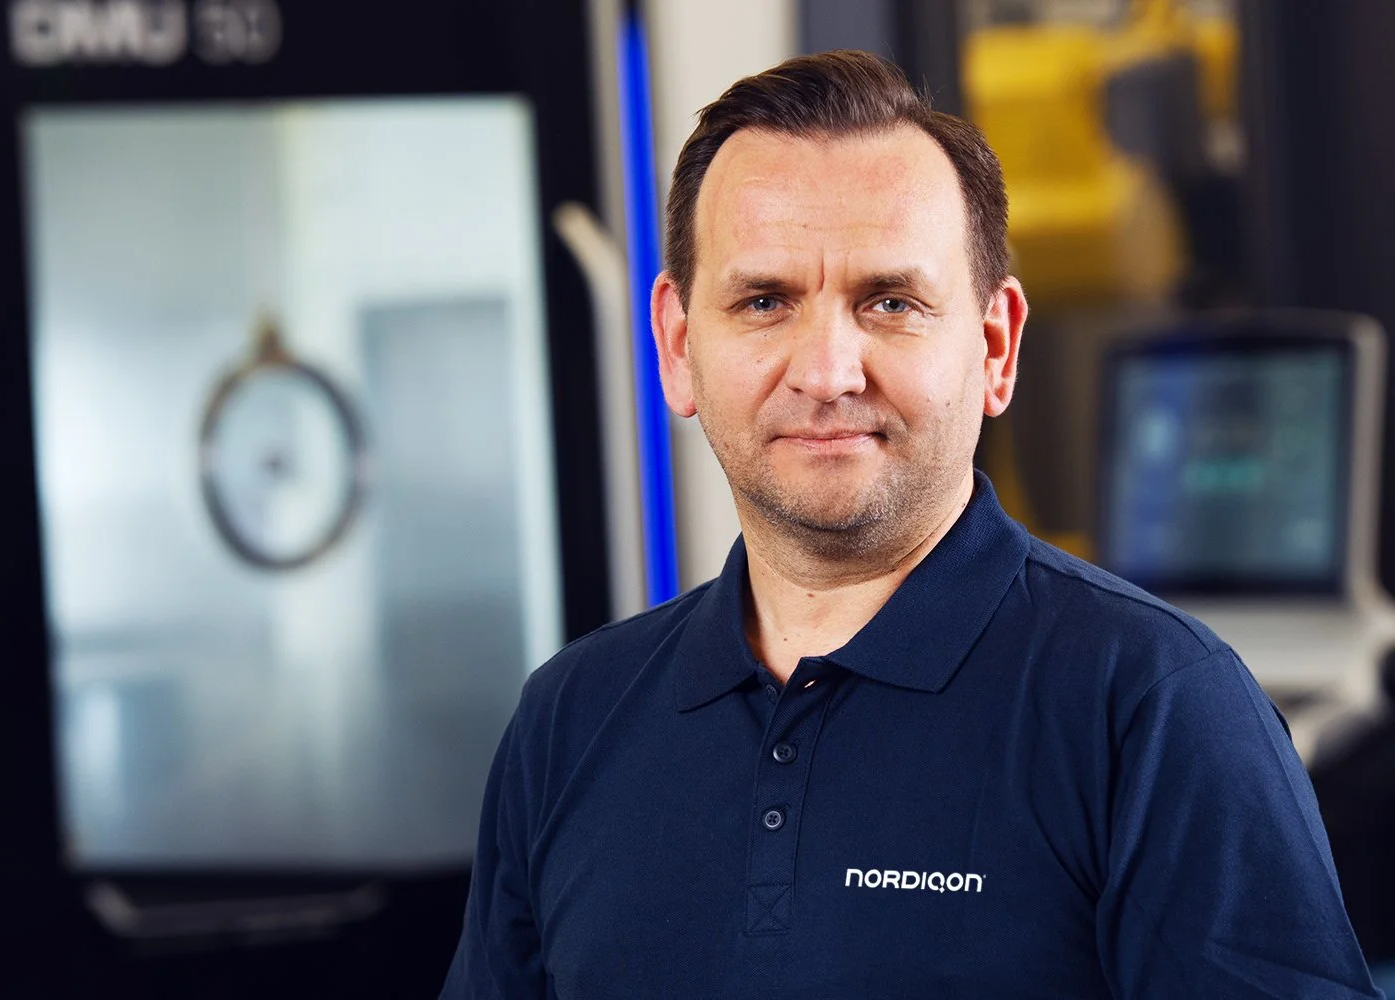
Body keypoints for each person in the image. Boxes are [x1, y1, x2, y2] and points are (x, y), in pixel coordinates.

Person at [440, 50, 1381, 998]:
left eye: (890, 303)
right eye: (764, 303)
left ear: (995, 345)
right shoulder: (569, 720)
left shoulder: (1155, 709)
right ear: (681, 347)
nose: (828, 371)